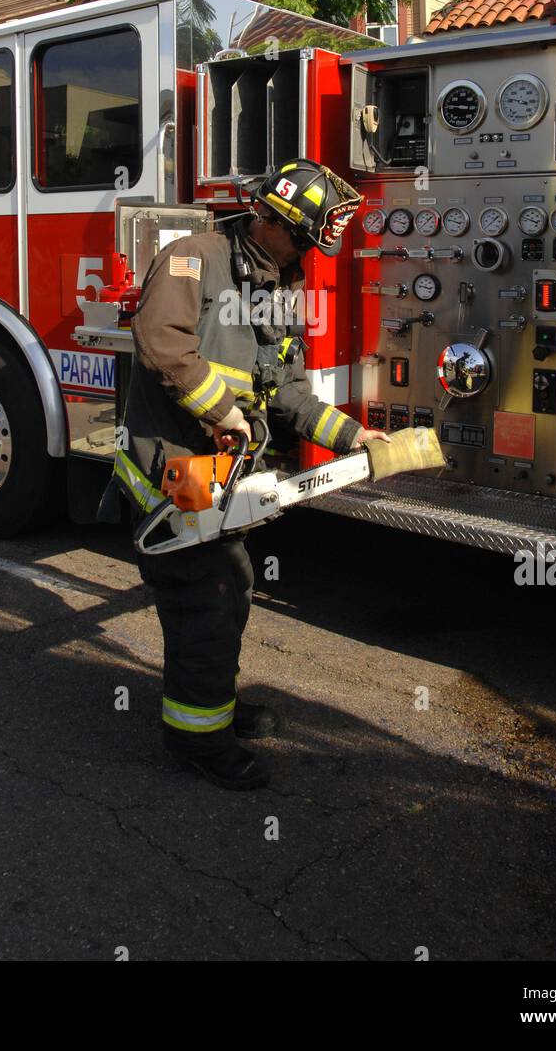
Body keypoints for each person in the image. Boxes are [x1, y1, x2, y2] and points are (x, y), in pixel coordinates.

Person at [105, 160, 389, 791]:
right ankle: (198, 740)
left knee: (229, 594)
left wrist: (356, 438)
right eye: (305, 240)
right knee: (205, 602)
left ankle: (214, 709)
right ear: (270, 220)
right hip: (173, 478)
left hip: (221, 483)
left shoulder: (276, 284)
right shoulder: (195, 257)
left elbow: (288, 393)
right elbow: (160, 341)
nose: (310, 256)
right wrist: (224, 411)